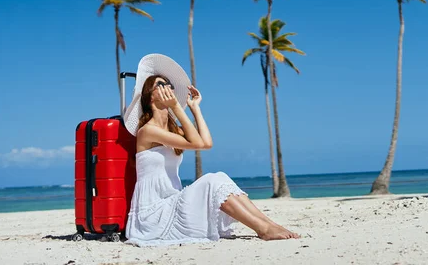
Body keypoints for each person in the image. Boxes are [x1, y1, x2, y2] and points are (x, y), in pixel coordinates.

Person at [123, 54, 299, 247]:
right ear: (149, 95)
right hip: (153, 213)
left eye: (169, 84)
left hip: (172, 201)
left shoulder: (173, 130)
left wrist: (195, 108)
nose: (167, 87)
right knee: (212, 181)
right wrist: (176, 107)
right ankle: (263, 229)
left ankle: (268, 224)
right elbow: (197, 143)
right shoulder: (147, 131)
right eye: (160, 84)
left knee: (220, 177)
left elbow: (206, 143)